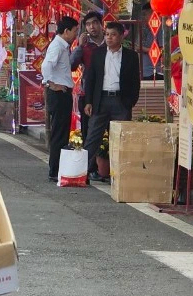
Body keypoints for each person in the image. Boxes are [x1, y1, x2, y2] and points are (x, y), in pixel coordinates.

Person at [83, 22, 141, 182]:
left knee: (121, 139)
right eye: (107, 34)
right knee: (93, 137)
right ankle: (82, 173)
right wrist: (88, 101)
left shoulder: (131, 56)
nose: (109, 38)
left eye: (113, 34)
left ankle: (120, 176)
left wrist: (130, 102)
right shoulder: (98, 54)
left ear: (122, 36)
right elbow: (90, 79)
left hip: (121, 101)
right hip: (100, 100)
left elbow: (135, 82)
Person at [41, 15, 79, 182]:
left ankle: (58, 169)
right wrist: (50, 83)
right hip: (58, 94)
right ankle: (54, 169)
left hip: (62, 92)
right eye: (75, 31)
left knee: (62, 133)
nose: (76, 35)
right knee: (59, 133)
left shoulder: (63, 46)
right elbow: (46, 65)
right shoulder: (57, 45)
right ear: (66, 31)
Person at [70, 11, 104, 139]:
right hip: (88, 94)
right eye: (88, 24)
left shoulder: (110, 43)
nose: (92, 27)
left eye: (95, 23)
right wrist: (79, 46)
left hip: (106, 92)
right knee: (88, 132)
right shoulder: (85, 47)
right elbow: (72, 65)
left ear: (101, 24)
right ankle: (90, 159)